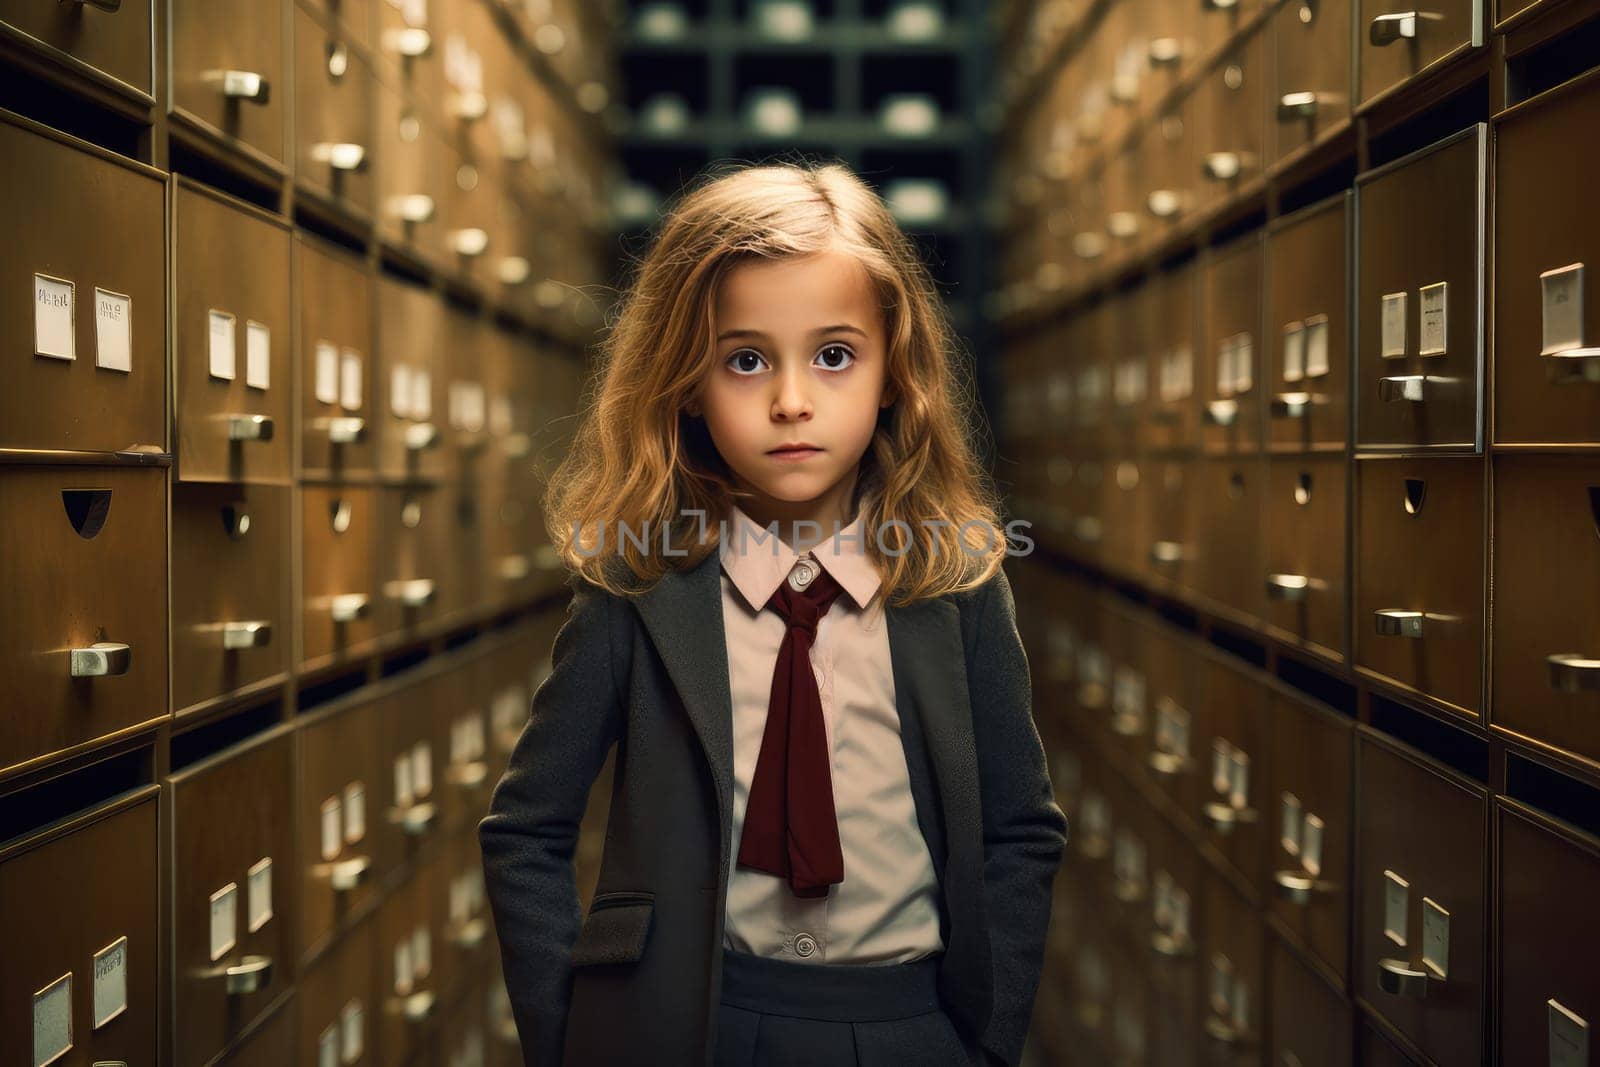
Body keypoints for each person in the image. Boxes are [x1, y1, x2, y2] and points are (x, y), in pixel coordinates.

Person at [479, 159, 1067, 1067]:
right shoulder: (637, 591)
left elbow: (1019, 829)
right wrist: (571, 1043)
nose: (792, 400)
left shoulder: (956, 585)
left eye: (835, 355)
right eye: (745, 359)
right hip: (698, 1026)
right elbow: (528, 830)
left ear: (895, 373)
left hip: (907, 1022)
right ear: (684, 382)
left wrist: (985, 1046)